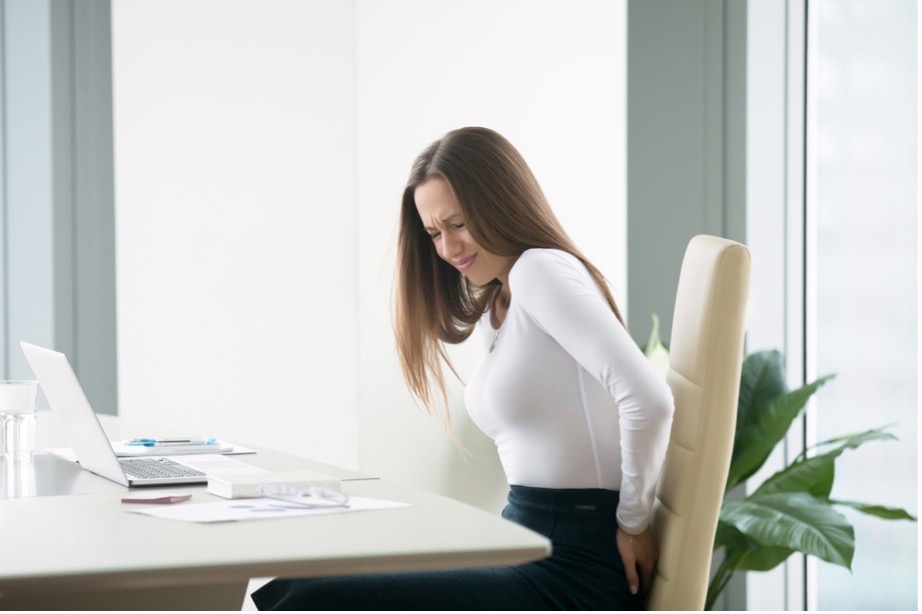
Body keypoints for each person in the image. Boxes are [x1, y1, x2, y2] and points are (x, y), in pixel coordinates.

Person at [252, 127, 675, 610]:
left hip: (571, 566)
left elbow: (648, 398)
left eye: (458, 223)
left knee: (310, 598)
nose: (449, 248)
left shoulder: (541, 271)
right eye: (434, 233)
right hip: (521, 539)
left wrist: (633, 522)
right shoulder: (498, 303)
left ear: (501, 203)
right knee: (300, 583)